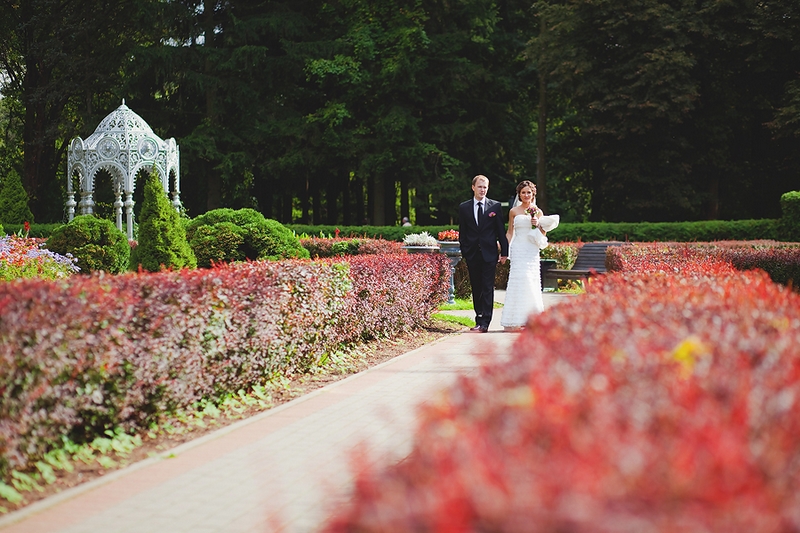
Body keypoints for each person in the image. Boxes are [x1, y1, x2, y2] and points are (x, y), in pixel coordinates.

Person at [501, 180, 560, 331]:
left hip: (531, 249)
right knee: (518, 279)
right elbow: (509, 232)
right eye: (523, 192)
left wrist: (537, 223)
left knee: (530, 280)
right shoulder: (513, 211)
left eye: (528, 192)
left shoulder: (538, 211)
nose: (526, 195)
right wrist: (504, 250)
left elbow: (543, 233)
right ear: (519, 195)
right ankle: (514, 318)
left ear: (533, 194)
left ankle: (532, 318)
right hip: (518, 248)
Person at [458, 175, 509, 333]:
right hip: (472, 253)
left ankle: (485, 322)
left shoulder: (495, 206)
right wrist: (465, 250)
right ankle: (478, 318)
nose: (482, 190)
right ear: (473, 187)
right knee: (476, 287)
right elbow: (463, 232)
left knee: (487, 287)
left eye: (485, 187)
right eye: (480, 187)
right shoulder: (464, 207)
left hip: (489, 253)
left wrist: (504, 252)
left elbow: (500, 230)